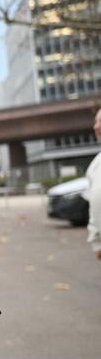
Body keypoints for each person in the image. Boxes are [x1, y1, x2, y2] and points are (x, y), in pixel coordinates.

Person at [85, 108, 101, 260]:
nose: (96, 127)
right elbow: (94, 207)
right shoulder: (95, 166)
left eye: (100, 121)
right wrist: (96, 242)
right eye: (96, 121)